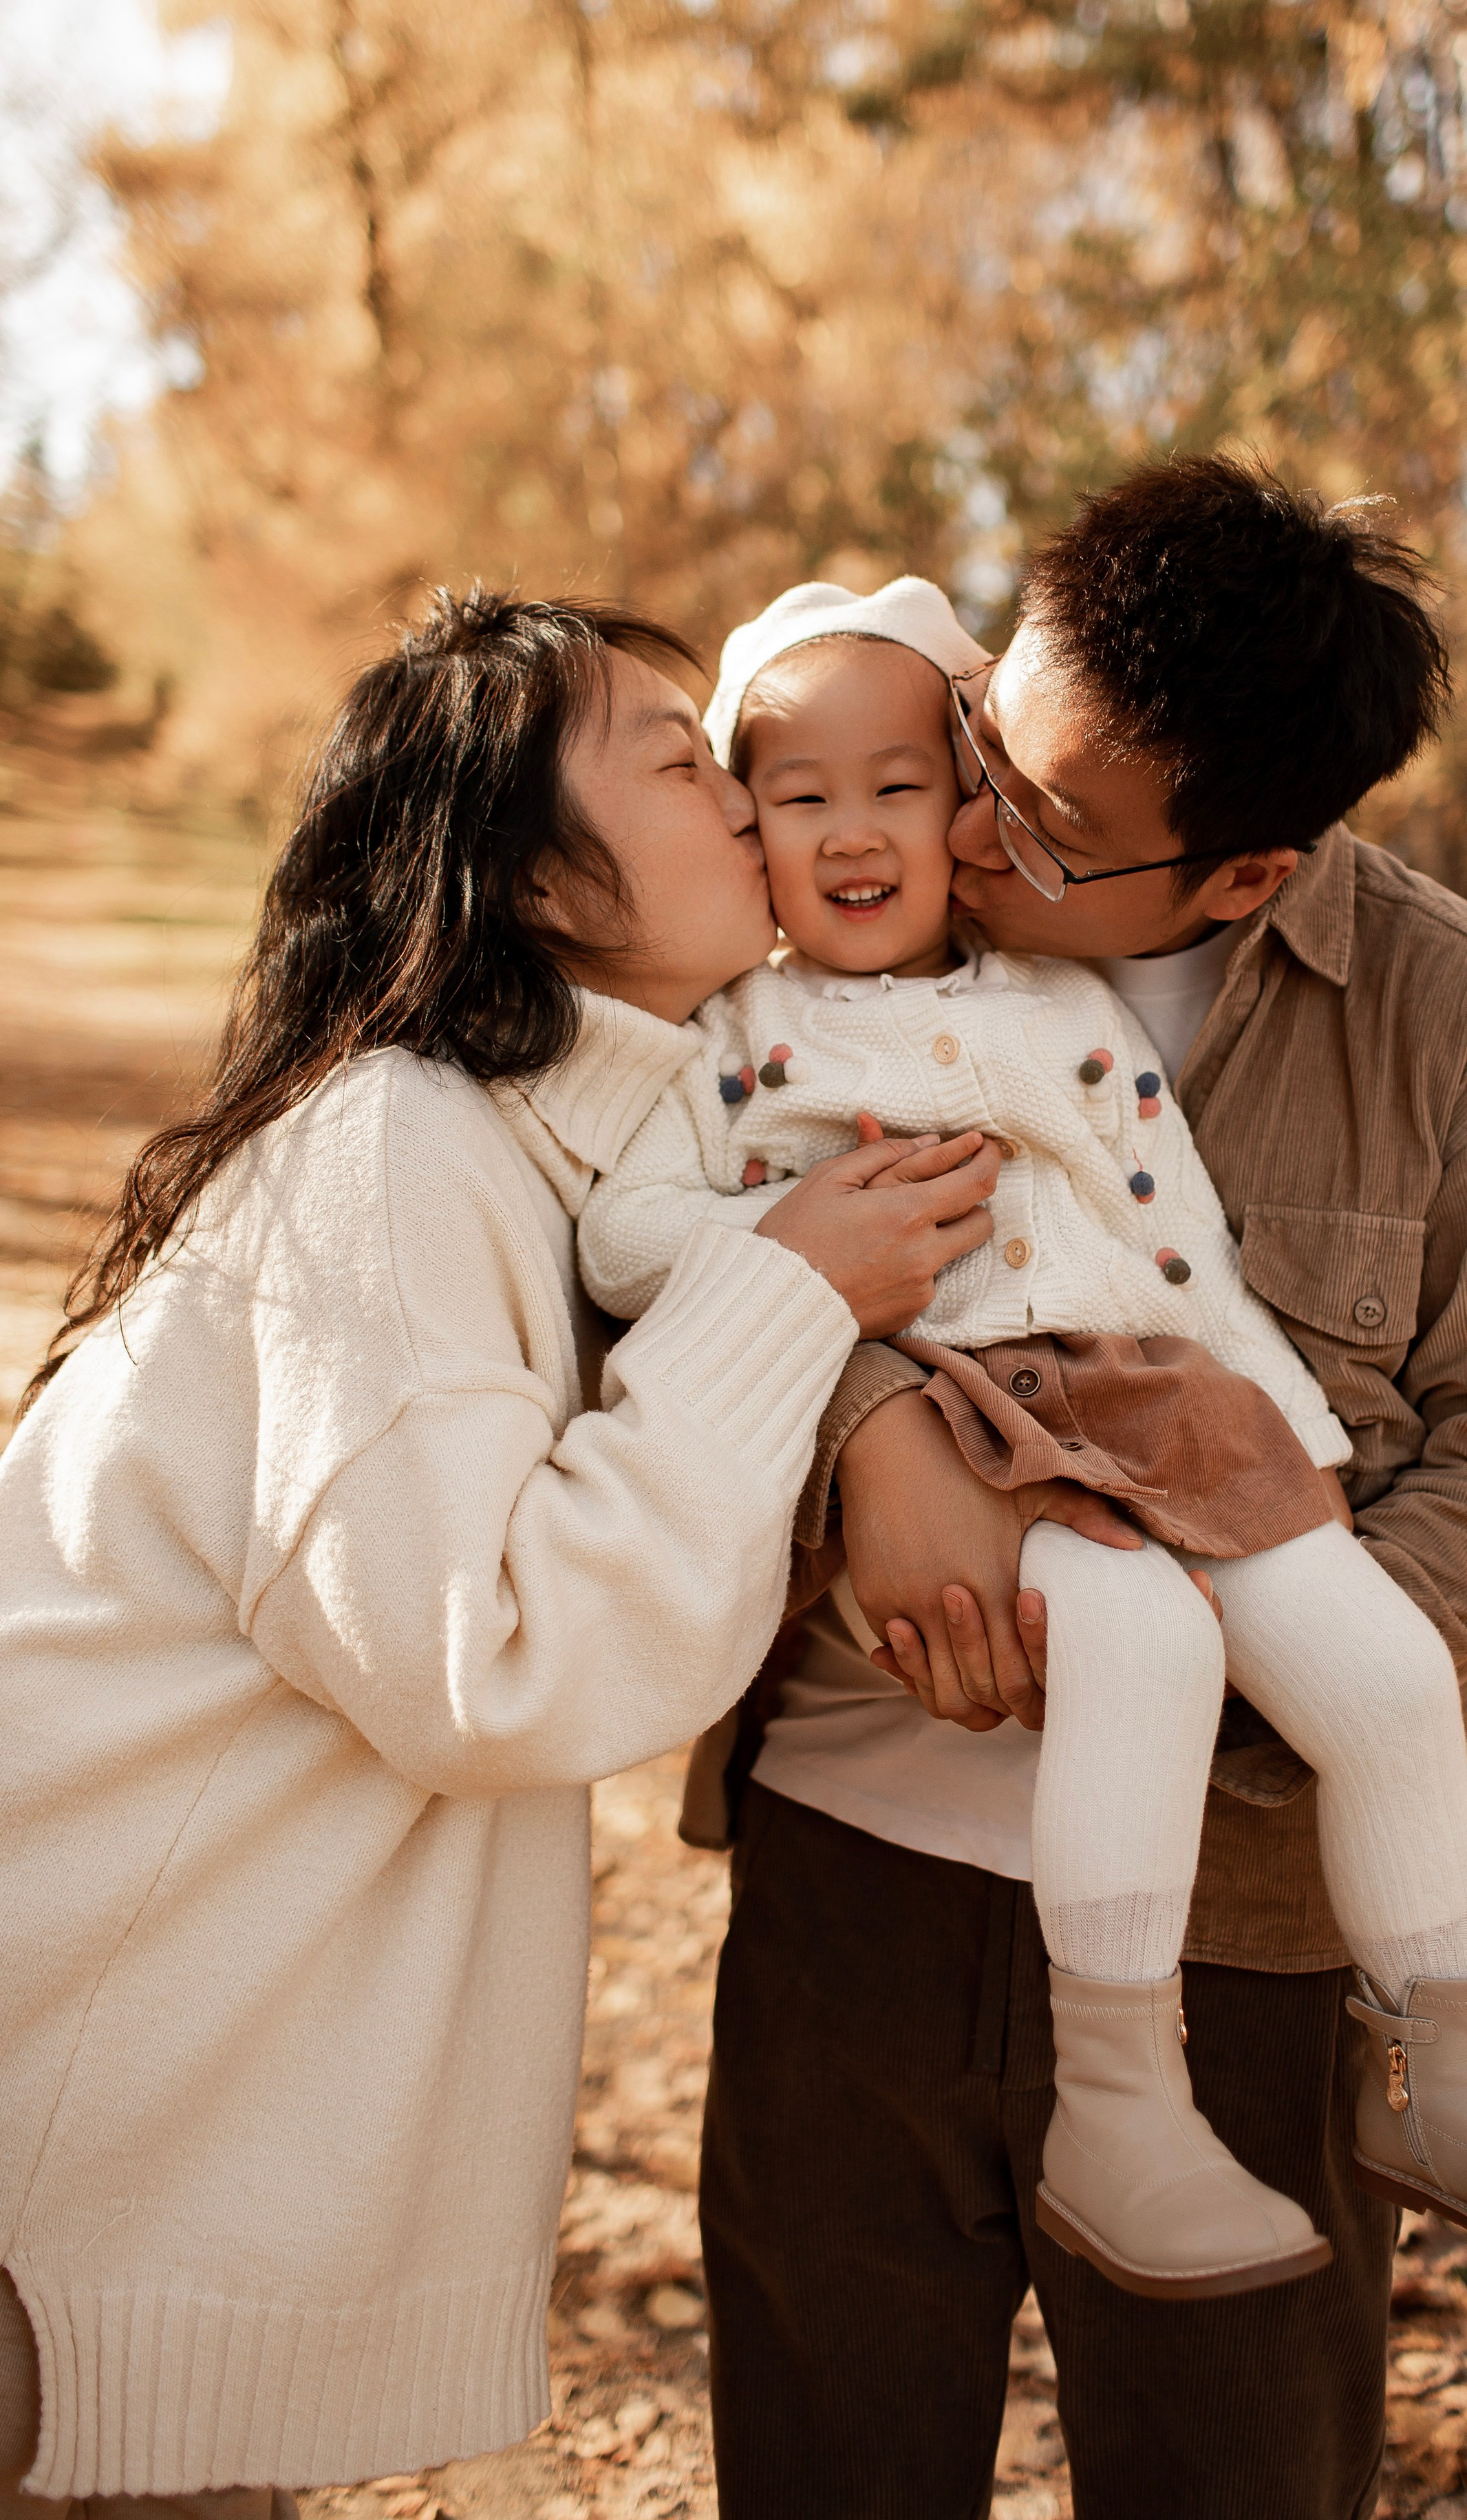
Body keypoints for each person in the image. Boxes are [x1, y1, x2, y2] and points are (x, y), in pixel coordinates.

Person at [689, 462, 1467, 2519]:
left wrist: (1223, 1664)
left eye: (1038, 827)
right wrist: (863, 1436)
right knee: (826, 2455)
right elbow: (646, 1278)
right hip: (859, 1866)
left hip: (1250, 1927)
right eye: (978, 752)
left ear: (1235, 878)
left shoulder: (1455, 1026)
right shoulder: (772, 952)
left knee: (1236, 2474)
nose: (955, 826)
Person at [0, 590, 1001, 2519]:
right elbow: (492, 1655)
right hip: (61, 2139)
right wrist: (790, 1303)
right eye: (679, 759)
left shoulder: (548, 1167)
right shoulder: (396, 1147)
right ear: (538, 883)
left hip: (129, 2156)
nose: (744, 796)